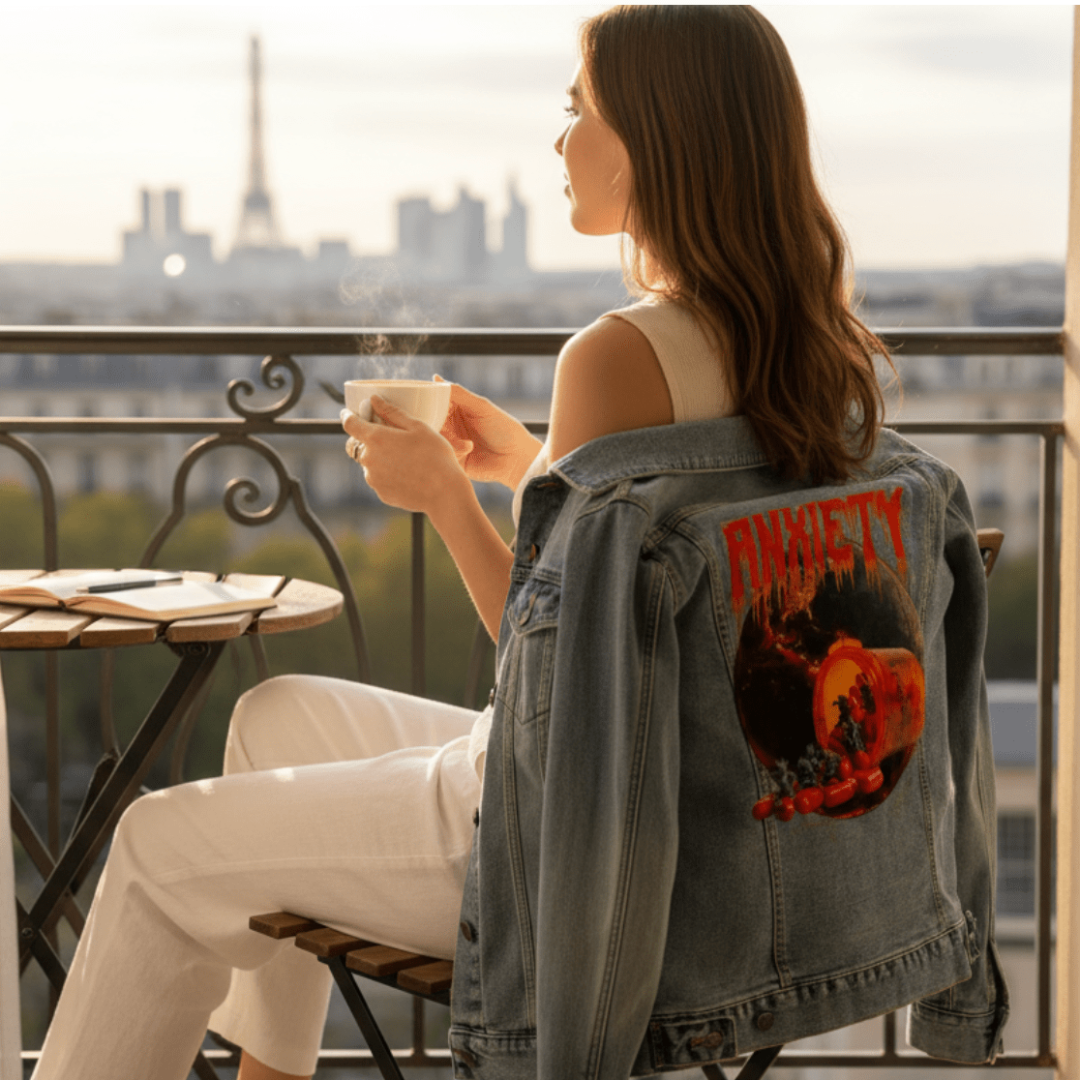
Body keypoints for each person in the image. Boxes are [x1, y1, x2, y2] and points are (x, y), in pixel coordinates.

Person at [32, 6, 1007, 1080]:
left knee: (157, 845)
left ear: (655, 141)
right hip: (716, 821)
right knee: (275, 717)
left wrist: (448, 501)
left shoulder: (616, 352)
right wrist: (534, 471)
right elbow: (674, 568)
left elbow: (553, 670)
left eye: (578, 108)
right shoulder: (823, 348)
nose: (560, 139)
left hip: (562, 837)